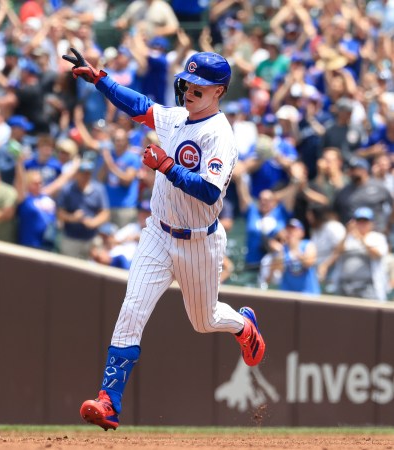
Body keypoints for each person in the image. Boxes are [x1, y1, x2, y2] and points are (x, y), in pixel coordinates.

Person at [61, 48, 266, 430]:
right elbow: (139, 105)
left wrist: (167, 166)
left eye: (200, 88)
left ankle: (242, 325)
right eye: (187, 83)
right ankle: (108, 402)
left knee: (204, 321)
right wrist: (101, 80)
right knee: (132, 310)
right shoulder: (177, 118)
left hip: (199, 242)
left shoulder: (221, 136)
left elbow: (208, 192)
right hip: (158, 233)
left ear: (219, 92)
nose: (190, 91)